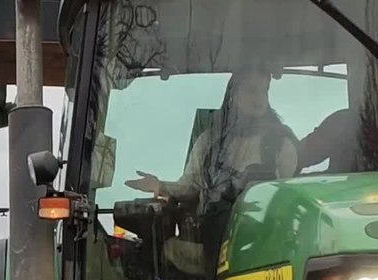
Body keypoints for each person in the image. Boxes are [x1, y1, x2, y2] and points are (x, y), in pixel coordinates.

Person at [126, 68, 299, 209]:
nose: (260, 98)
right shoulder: (209, 142)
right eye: (251, 90)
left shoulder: (281, 144)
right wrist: (160, 186)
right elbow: (190, 186)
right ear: (233, 97)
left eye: (264, 90)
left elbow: (287, 202)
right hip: (210, 234)